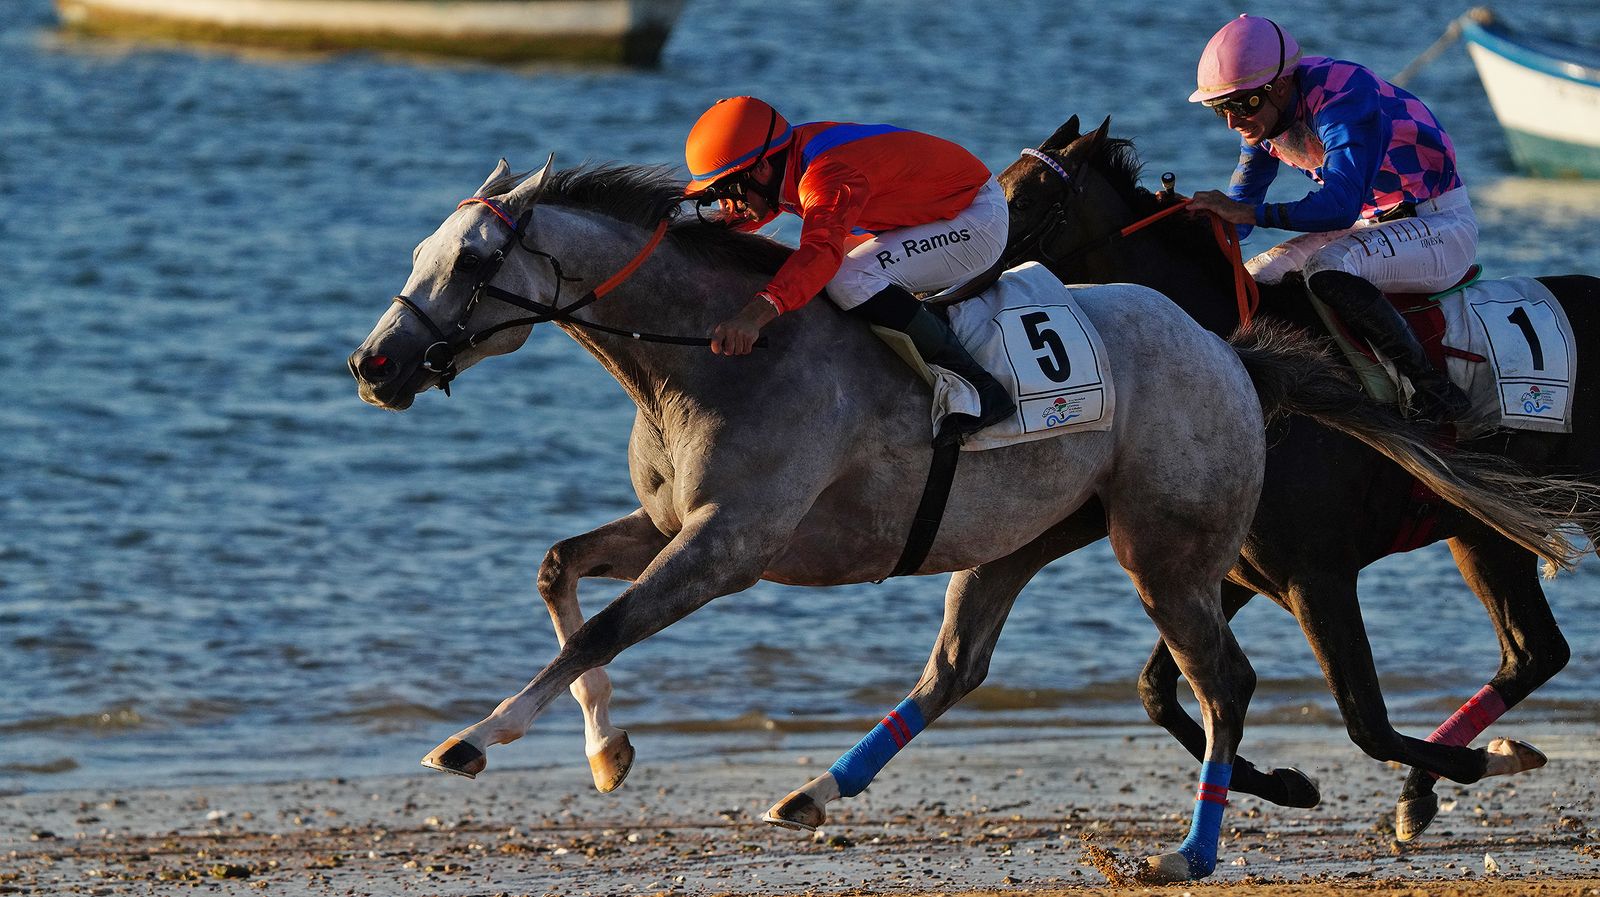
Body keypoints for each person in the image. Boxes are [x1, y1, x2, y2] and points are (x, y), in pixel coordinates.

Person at [1185, 14, 1474, 422]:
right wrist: (1183, 217)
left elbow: (1339, 205)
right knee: (1253, 278)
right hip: (1370, 224)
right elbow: (1239, 220)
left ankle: (1433, 390)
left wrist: (1249, 212)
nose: (1232, 121)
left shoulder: (1344, 98)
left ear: (1279, 85)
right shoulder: (1264, 121)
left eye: (1239, 104)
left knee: (1327, 266)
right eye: (1220, 110)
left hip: (1440, 225)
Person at [683, 96, 1015, 444]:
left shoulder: (826, 173)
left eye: (726, 190)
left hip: (975, 219)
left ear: (762, 168)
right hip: (922, 213)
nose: (724, 204)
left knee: (847, 279)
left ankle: (980, 389)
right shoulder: (789, 156)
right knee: (820, 277)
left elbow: (820, 251)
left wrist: (753, 316)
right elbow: (754, 212)